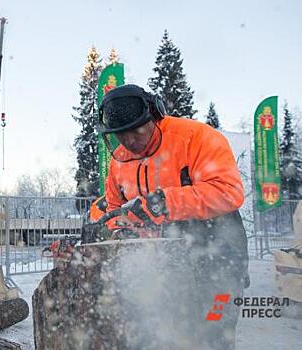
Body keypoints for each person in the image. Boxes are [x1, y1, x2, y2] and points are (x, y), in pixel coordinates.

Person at [97, 84, 249, 350]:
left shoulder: (196, 137)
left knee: (215, 332)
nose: (130, 142)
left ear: (155, 117)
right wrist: (120, 228)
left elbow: (229, 192)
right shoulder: (120, 160)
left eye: (136, 131)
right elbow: (113, 207)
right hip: (168, 263)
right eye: (121, 135)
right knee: (169, 332)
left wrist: (166, 203)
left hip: (221, 256)